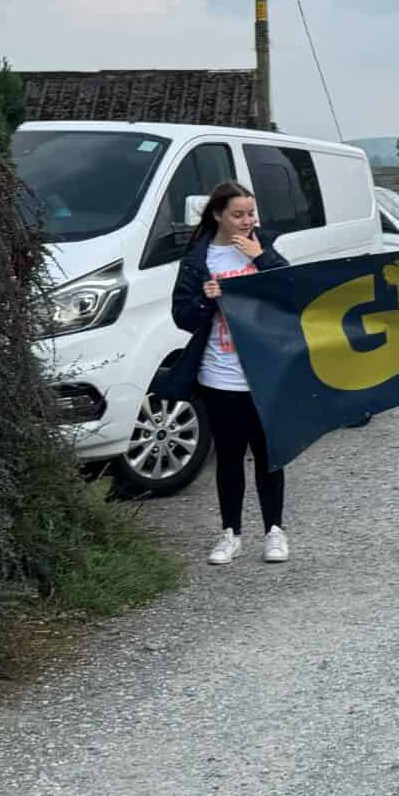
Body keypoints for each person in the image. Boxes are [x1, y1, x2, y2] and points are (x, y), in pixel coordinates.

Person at [169, 181, 292, 567]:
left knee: (270, 455)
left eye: (251, 213)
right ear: (218, 215)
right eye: (238, 214)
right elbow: (182, 316)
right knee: (229, 457)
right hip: (219, 374)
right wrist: (205, 301)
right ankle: (230, 533)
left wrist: (263, 258)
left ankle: (274, 531)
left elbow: (291, 295)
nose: (246, 221)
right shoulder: (198, 258)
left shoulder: (262, 247)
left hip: (264, 374)